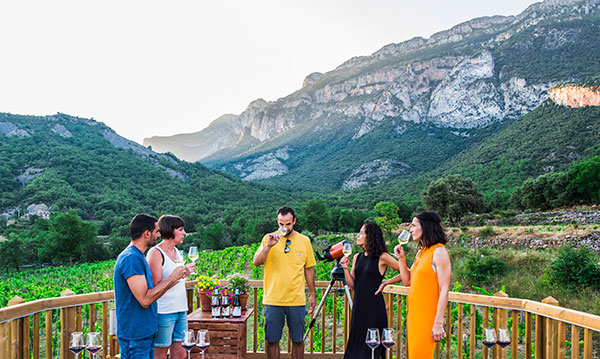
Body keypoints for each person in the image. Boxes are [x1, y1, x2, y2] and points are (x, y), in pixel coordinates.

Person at [376, 211, 451, 359]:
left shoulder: (439, 251)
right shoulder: (421, 252)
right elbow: (408, 281)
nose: (410, 230)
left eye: (414, 225)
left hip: (427, 316)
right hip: (414, 314)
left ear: (426, 226)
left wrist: (438, 323)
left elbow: (444, 290)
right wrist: (401, 259)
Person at [113, 214, 187, 359]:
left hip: (144, 332)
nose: (159, 235)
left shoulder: (138, 256)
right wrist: (172, 277)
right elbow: (145, 299)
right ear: (146, 234)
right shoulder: (131, 259)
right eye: (156, 231)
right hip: (135, 334)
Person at [253, 206, 317, 359]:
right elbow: (256, 262)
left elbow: (309, 269)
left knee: (298, 340)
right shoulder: (268, 239)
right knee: (272, 340)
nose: (284, 228)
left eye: (288, 224)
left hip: (297, 300)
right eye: (281, 224)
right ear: (278, 221)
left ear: (294, 221)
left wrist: (313, 295)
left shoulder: (304, 241)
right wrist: (269, 246)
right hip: (273, 299)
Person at [340, 222, 400, 359]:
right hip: (359, 308)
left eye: (362, 233)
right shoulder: (357, 257)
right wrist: (345, 269)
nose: (358, 235)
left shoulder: (382, 257)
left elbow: (406, 272)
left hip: (374, 308)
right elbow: (352, 285)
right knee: (356, 347)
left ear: (370, 236)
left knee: (371, 349)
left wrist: (386, 282)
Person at [147, 215, 196, 359]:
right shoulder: (155, 253)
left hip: (181, 309)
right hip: (164, 311)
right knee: (160, 353)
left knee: (181, 353)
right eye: (180, 229)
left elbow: (175, 278)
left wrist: (184, 273)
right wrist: (179, 275)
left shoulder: (177, 252)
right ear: (170, 230)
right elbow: (156, 287)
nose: (184, 233)